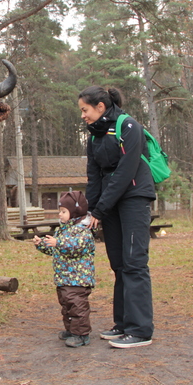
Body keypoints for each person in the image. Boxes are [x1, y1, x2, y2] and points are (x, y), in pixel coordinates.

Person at [78, 86, 156, 349]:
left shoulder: (129, 127)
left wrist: (101, 209)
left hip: (134, 197)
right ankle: (122, 324)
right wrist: (91, 210)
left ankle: (140, 330)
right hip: (110, 204)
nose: (82, 115)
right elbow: (94, 176)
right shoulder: (94, 137)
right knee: (119, 265)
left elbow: (125, 172)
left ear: (100, 107)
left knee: (134, 262)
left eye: (84, 110)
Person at [33, 191, 96, 348]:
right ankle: (71, 330)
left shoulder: (83, 230)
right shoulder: (64, 230)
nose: (59, 215)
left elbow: (76, 247)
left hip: (78, 279)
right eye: (59, 211)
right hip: (64, 278)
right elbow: (57, 250)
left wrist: (58, 243)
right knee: (66, 306)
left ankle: (81, 334)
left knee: (77, 306)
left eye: (63, 211)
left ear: (75, 211)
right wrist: (42, 244)